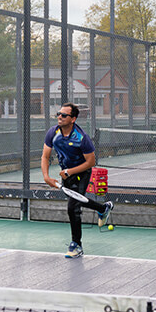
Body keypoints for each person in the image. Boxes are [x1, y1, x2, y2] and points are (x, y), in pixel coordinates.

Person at [41, 103, 113, 258]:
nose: (60, 117)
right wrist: (46, 177)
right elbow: (45, 156)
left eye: (64, 115)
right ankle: (102, 209)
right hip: (66, 174)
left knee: (73, 207)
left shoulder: (82, 138)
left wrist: (69, 171)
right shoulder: (53, 133)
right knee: (77, 200)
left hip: (82, 173)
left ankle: (76, 245)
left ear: (73, 119)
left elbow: (91, 162)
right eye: (59, 114)